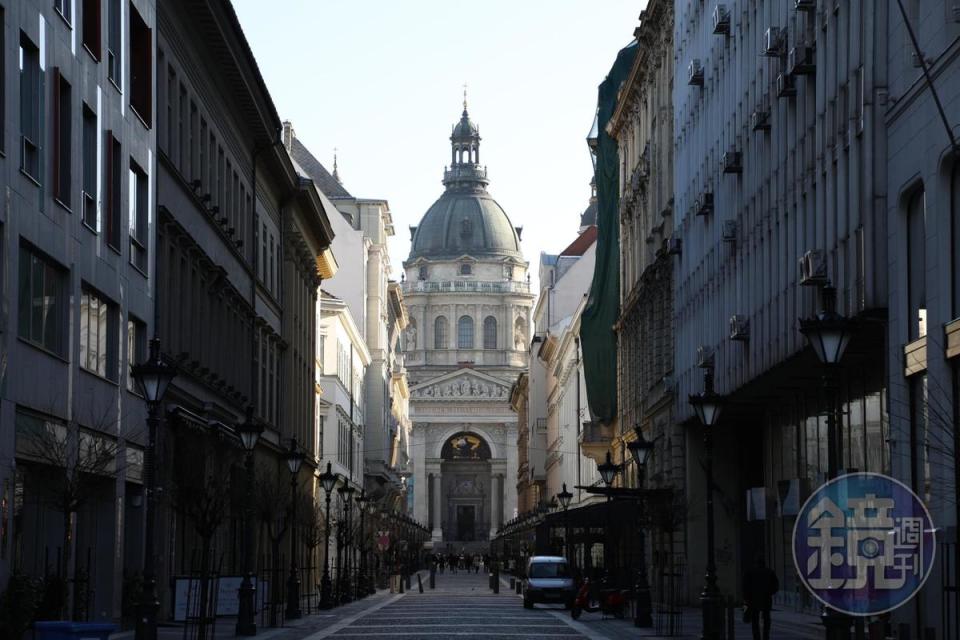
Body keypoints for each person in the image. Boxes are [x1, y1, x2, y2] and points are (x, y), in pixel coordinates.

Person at [742, 556, 779, 640]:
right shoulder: (769, 572)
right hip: (766, 599)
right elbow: (776, 586)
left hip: (753, 600)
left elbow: (745, 587)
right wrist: (769, 592)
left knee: (755, 620)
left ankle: (756, 637)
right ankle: (766, 636)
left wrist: (746, 598)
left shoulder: (750, 572)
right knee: (766, 619)